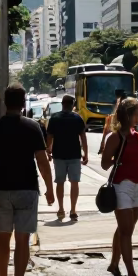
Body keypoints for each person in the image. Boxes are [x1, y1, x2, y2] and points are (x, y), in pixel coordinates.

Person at [0, 83, 55, 276]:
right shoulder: (33, 127)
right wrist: (50, 189)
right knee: (23, 240)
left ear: (4, 102)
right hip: (27, 189)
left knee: (2, 236)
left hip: (1, 188)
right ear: (23, 103)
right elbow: (42, 161)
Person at [101, 97, 138, 276]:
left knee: (124, 229)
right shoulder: (115, 137)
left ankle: (114, 264)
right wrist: (118, 160)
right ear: (128, 115)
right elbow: (104, 164)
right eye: (137, 113)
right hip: (121, 186)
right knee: (126, 232)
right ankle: (132, 275)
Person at [46, 94, 87, 222]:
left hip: (59, 155)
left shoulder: (54, 118)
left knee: (60, 182)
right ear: (72, 105)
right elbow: (83, 137)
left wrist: (48, 150)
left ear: (62, 104)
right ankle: (73, 210)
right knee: (74, 182)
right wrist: (86, 153)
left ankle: (61, 209)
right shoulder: (77, 118)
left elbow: (49, 136)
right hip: (74, 155)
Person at [99, 89, 128, 153]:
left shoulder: (129, 119)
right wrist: (102, 145)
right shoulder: (111, 118)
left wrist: (102, 146)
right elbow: (106, 132)